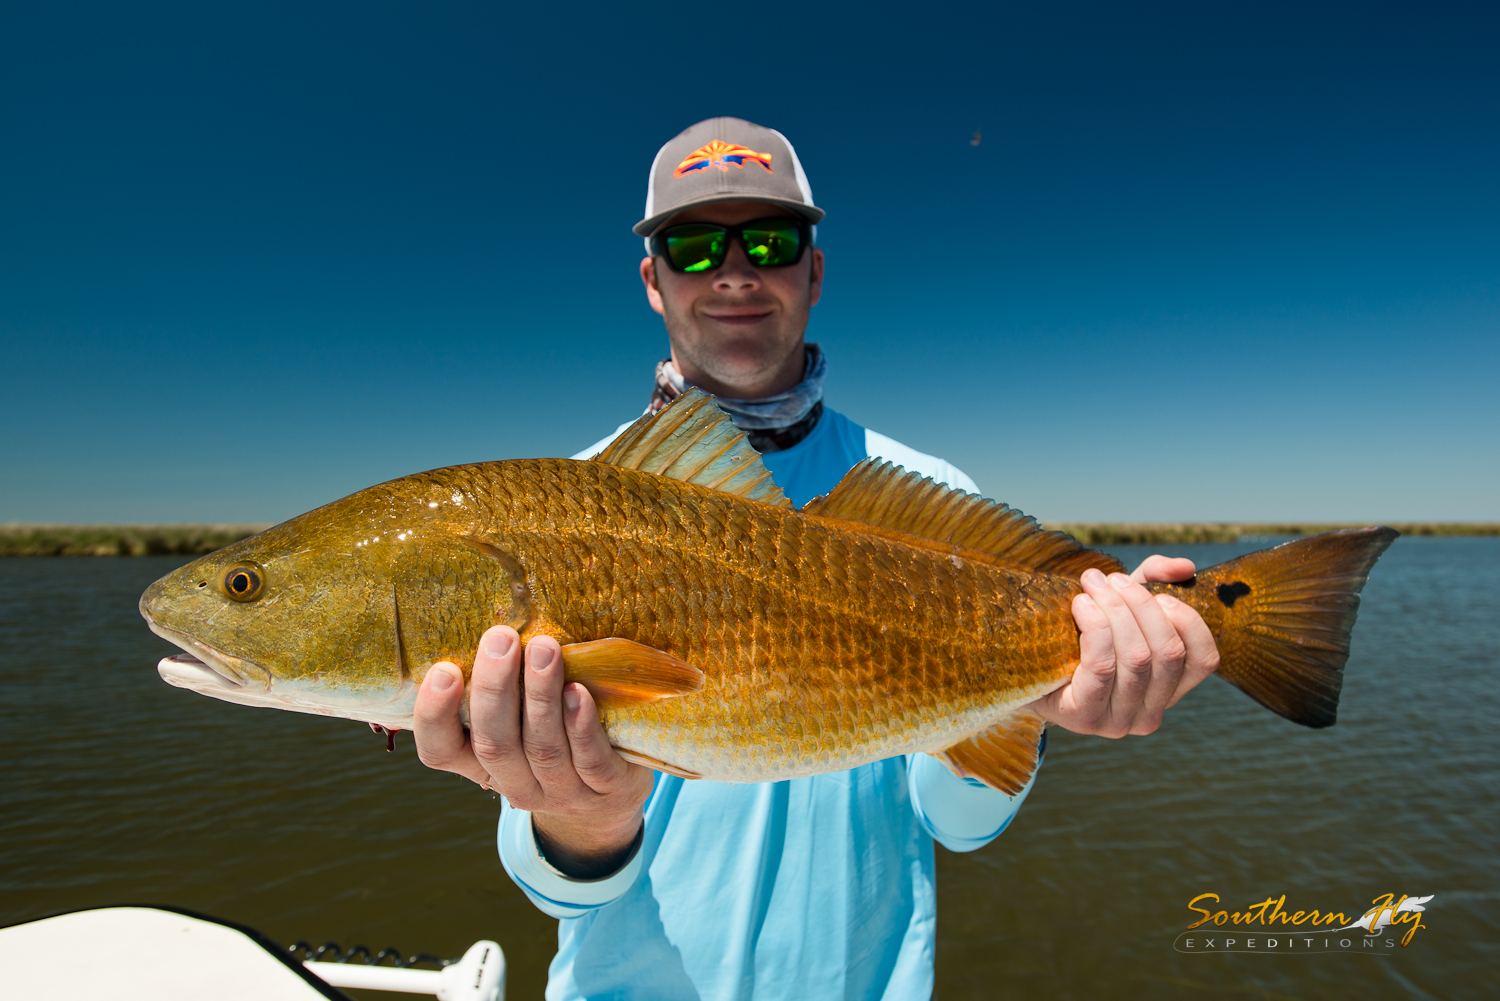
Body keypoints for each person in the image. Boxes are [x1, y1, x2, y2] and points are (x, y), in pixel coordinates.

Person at [413, 118, 1219, 1000]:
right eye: (691, 244)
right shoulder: (557, 504)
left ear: (815, 269)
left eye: (769, 239)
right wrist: (583, 815)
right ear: (654, 280)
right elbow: (553, 884)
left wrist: (1047, 699)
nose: (734, 271)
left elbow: (957, 825)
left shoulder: (927, 492)